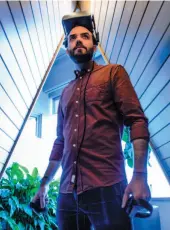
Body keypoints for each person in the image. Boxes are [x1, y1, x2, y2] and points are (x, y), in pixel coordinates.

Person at [32, 12, 151, 230]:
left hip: (108, 188)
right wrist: (43, 184)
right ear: (67, 49)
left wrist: (140, 175)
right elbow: (60, 142)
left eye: (85, 36)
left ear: (94, 46)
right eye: (73, 38)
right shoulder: (66, 92)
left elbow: (137, 121)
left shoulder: (113, 73)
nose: (78, 40)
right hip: (67, 194)